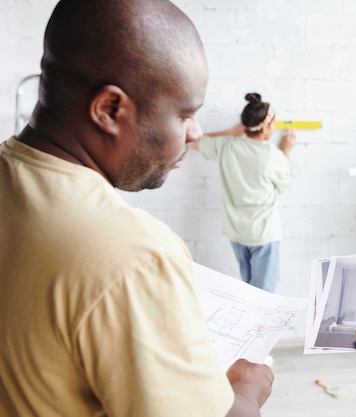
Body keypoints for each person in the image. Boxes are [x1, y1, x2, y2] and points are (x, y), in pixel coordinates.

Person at [0, 1, 273, 416]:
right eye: (184, 114)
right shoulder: (134, 255)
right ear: (109, 110)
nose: (195, 132)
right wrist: (248, 392)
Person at [190, 93, 296, 293]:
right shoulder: (273, 156)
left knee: (248, 290)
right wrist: (287, 151)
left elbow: (194, 141)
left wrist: (232, 132)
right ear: (264, 128)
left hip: (237, 233)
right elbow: (286, 185)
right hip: (263, 234)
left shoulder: (226, 145)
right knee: (264, 295)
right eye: (273, 124)